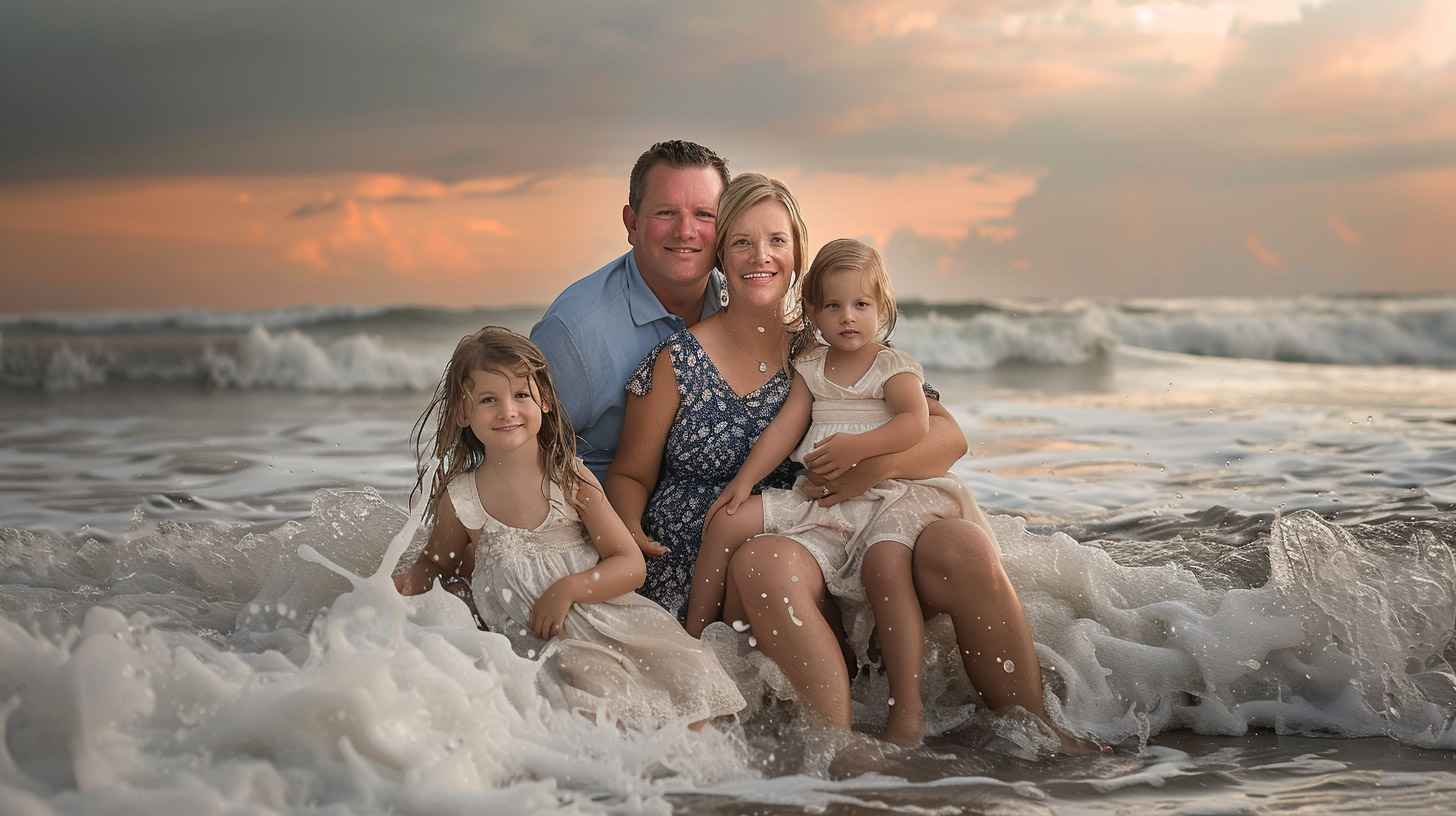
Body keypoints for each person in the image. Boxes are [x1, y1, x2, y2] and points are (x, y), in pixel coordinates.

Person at [607, 171, 1080, 752]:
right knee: (764, 565)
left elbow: (947, 438)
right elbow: (630, 473)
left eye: (777, 240)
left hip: (852, 518)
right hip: (756, 546)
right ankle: (843, 747)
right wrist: (627, 533)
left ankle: (1041, 734)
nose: (762, 256)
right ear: (719, 255)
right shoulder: (675, 361)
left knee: (966, 546)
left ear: (798, 254)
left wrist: (874, 469)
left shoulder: (833, 340)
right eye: (742, 242)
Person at [692, 238, 980, 745]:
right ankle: (697, 646)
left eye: (861, 305)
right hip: (825, 497)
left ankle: (906, 708)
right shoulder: (812, 368)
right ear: (812, 312)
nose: (848, 317)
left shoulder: (894, 367)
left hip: (889, 494)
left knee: (885, 564)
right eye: (833, 305)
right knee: (726, 521)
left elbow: (916, 425)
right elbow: (784, 431)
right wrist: (742, 482)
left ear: (882, 309)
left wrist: (858, 447)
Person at [393, 326, 745, 731]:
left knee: (683, 708)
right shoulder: (461, 499)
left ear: (543, 400)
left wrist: (568, 589)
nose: (507, 410)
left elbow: (630, 564)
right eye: (489, 399)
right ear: (462, 412)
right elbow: (435, 565)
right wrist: (384, 593)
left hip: (610, 629)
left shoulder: (567, 477)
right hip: (532, 651)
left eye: (521, 395)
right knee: (581, 724)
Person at [530, 140, 730, 483]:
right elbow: (518, 461)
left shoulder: (743, 305)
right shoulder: (575, 334)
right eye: (666, 213)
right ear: (632, 224)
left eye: (704, 214)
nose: (686, 231)